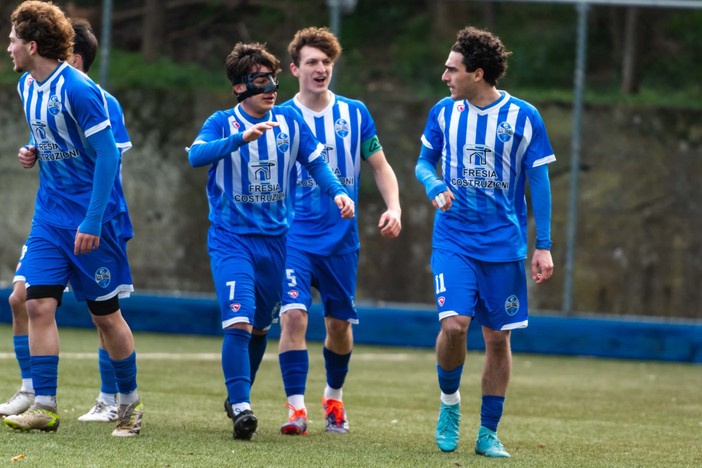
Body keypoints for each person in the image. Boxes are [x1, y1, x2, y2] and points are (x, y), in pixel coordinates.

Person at [187, 41, 354, 440]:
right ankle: (242, 407)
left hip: (276, 243)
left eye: (273, 79)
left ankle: (238, 393)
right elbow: (195, 156)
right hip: (232, 240)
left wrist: (337, 192)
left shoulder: (291, 123)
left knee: (261, 326)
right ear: (240, 88)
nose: (270, 87)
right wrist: (240, 139)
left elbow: (316, 163)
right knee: (239, 320)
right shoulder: (221, 122)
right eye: (260, 79)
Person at [415, 26, 555, 458]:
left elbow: (540, 183)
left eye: (452, 69)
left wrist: (543, 243)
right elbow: (422, 162)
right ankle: (450, 405)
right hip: (454, 239)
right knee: (454, 325)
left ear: (477, 73)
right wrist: (433, 183)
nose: (445, 76)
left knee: (498, 340)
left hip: (503, 247)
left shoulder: (524, 117)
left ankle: (488, 432)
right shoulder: (443, 112)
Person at [3, 1, 142, 436]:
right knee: (34, 301)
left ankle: (129, 405)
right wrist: (34, 149)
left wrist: (93, 220)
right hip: (49, 218)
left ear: (32, 44)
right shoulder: (27, 85)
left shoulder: (80, 90)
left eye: (12, 39)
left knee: (106, 316)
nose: (7, 47)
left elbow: (106, 157)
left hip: (91, 221)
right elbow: (52, 135)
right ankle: (44, 404)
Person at [277, 27, 401, 436]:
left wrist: (394, 207)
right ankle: (296, 408)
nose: (320, 69)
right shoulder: (280, 116)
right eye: (312, 62)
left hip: (341, 240)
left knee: (338, 326)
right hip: (293, 236)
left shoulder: (354, 113)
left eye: (327, 63)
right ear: (295, 68)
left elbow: (379, 166)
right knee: (293, 316)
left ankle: (334, 396)